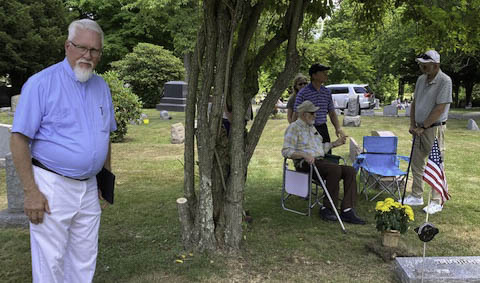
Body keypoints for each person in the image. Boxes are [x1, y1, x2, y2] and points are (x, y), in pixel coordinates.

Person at [10, 19, 116, 282]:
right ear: (68, 46)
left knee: (84, 259)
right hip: (51, 186)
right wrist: (31, 192)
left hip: (89, 188)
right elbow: (19, 139)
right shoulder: (41, 83)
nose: (88, 56)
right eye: (82, 48)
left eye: (95, 51)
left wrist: (105, 179)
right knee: (50, 261)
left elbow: (106, 136)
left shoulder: (101, 86)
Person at [282, 101, 365, 224]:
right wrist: (304, 155)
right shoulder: (294, 128)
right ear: (305, 114)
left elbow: (319, 148)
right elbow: (286, 151)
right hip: (305, 164)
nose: (316, 115)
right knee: (334, 169)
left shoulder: (311, 127)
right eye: (313, 113)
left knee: (350, 170)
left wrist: (335, 144)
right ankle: (327, 208)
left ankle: (347, 209)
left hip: (320, 162)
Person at [403, 50, 452, 214]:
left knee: (435, 163)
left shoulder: (445, 81)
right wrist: (412, 124)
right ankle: (416, 195)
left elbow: (440, 108)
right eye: (421, 64)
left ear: (436, 65)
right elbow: (415, 103)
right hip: (418, 127)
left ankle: (436, 201)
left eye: (426, 64)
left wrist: (423, 126)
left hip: (434, 128)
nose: (422, 67)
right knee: (417, 162)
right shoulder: (421, 79)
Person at [294, 64, 346, 154]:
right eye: (323, 72)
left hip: (322, 128)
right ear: (314, 75)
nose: (326, 74)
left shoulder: (326, 92)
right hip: (308, 129)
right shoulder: (303, 93)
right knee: (312, 157)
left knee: (327, 155)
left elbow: (332, 112)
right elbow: (296, 114)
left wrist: (338, 128)